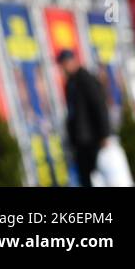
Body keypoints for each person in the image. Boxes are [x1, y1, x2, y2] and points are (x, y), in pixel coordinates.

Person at [58, 49, 111, 186]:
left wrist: (105, 135)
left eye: (65, 63)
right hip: (80, 140)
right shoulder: (70, 83)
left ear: (73, 61)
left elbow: (99, 107)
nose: (63, 67)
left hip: (92, 138)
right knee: (85, 178)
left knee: (98, 176)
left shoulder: (86, 79)